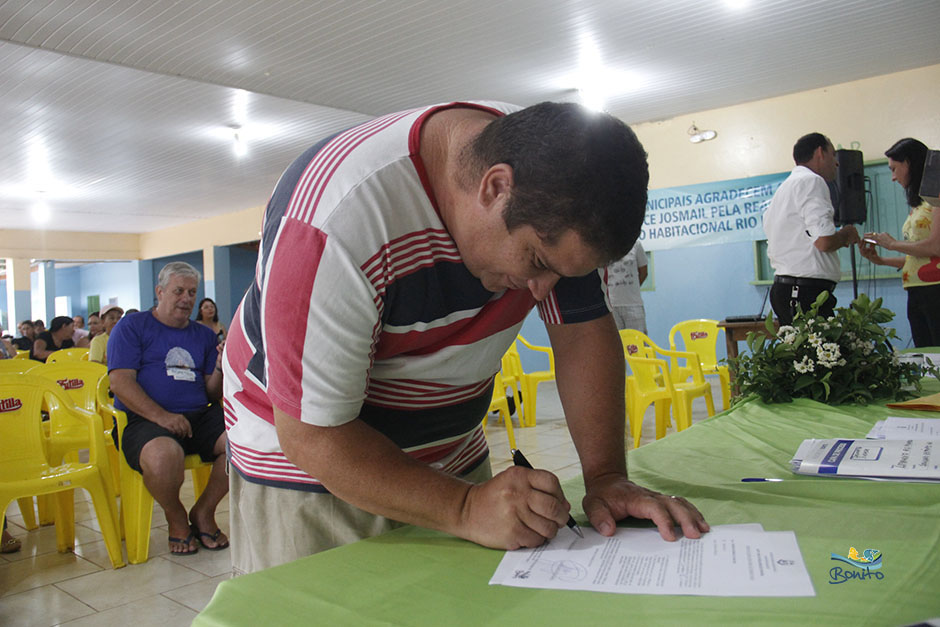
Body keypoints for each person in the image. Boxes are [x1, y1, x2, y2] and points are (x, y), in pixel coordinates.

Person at [223, 100, 709, 575]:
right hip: (308, 470)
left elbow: (581, 334)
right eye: (537, 263)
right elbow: (312, 435)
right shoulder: (335, 221)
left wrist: (606, 477)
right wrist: (462, 507)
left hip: (449, 450)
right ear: (496, 187)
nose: (542, 291)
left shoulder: (561, 186)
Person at [108, 262, 229, 555]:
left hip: (198, 415)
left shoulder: (203, 335)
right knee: (164, 458)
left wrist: (220, 366)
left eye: (191, 292)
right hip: (144, 418)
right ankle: (176, 518)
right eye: (178, 291)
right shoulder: (132, 327)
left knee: (247, 441)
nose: (186, 298)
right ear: (160, 292)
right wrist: (162, 416)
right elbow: (120, 382)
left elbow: (211, 392)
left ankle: (203, 511)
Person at [763, 132, 860, 324]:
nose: (837, 163)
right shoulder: (812, 181)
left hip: (790, 289)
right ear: (820, 153)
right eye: (833, 155)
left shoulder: (785, 189)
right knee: (824, 352)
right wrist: (846, 234)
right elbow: (824, 242)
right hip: (804, 291)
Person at [860, 138, 940, 347]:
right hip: (916, 289)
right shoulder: (920, 202)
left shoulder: (936, 198)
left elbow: (935, 247)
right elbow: (917, 257)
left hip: (935, 288)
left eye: (894, 169)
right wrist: (881, 260)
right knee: (926, 355)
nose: (893, 177)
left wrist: (892, 244)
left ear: (910, 163)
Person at [606, 242, 649, 332]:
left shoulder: (636, 245)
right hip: (611, 306)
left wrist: (632, 289)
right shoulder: (604, 245)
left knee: (638, 343)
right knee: (616, 343)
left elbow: (644, 272)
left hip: (633, 304)